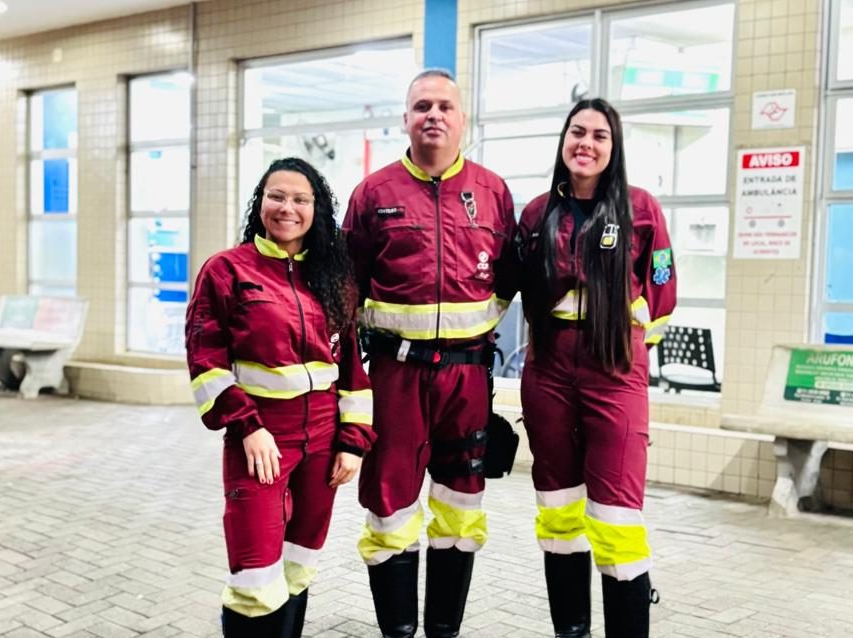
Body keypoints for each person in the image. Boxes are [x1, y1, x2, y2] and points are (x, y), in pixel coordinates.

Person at [342, 69, 516, 638]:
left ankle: (444, 630)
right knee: (389, 502)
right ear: (406, 119)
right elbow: (346, 290)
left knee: (461, 504)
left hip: (467, 379)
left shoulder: (493, 192)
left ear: (463, 119)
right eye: (422, 107)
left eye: (444, 106)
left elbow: (510, 278)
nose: (433, 115)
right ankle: (397, 631)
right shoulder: (373, 195)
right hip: (395, 375)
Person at [185, 157, 375, 637]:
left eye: (300, 199)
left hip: (324, 442)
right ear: (260, 202)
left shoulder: (334, 278)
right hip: (263, 440)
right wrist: (247, 428)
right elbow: (206, 361)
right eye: (277, 196)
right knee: (254, 575)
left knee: (297, 565)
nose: (287, 208)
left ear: (317, 209)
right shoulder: (226, 270)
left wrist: (353, 440)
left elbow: (349, 365)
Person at [516, 98, 676, 638]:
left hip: (615, 368)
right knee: (559, 510)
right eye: (577, 131)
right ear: (564, 140)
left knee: (615, 514)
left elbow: (663, 282)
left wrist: (630, 335)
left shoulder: (642, 208)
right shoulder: (536, 213)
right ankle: (571, 632)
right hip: (549, 369)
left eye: (599, 135)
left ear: (614, 146)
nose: (586, 143)